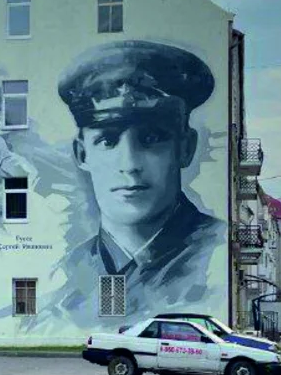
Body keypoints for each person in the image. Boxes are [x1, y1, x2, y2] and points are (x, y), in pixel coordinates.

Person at [53, 40, 226, 317]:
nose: (130, 165)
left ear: (185, 148)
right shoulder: (65, 273)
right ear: (82, 154)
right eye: (108, 141)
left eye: (151, 138)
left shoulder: (218, 255)